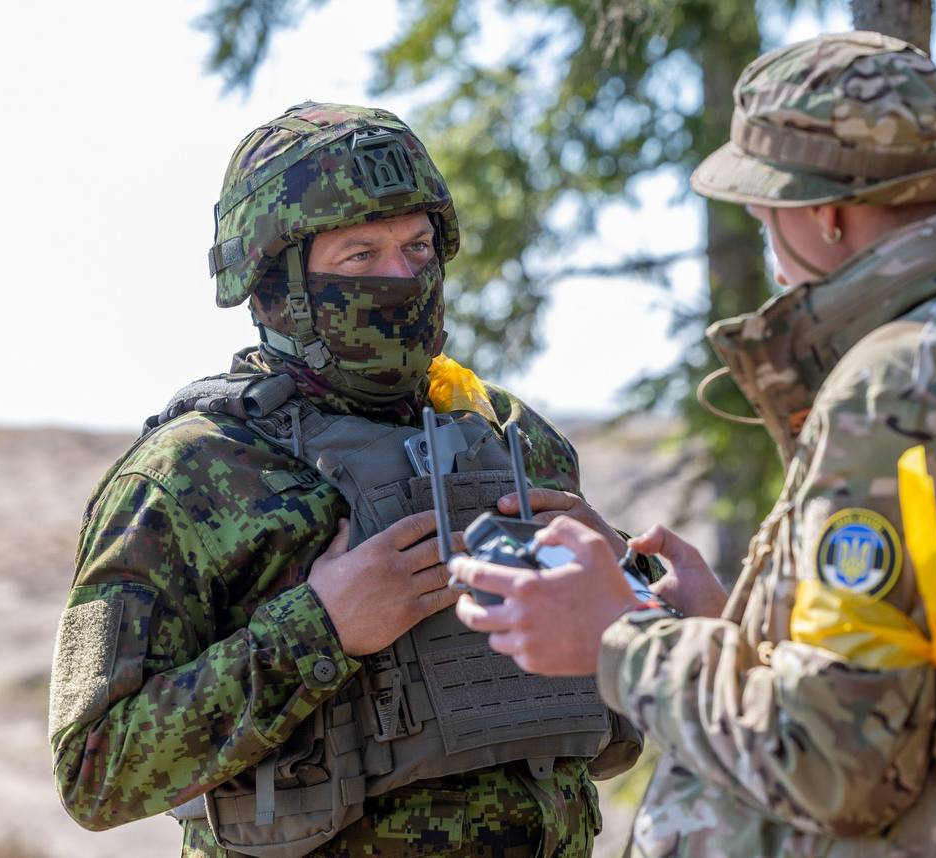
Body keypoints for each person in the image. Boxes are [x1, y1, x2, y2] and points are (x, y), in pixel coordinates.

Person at [450, 32, 936, 857]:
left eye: (765, 218)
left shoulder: (903, 384)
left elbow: (832, 763)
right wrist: (734, 632)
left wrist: (619, 637)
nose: (774, 257)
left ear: (824, 214)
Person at [48, 102, 652, 858]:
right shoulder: (187, 476)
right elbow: (95, 773)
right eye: (360, 256)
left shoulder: (510, 437)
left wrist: (633, 591)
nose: (401, 278)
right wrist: (322, 627)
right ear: (276, 285)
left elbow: (621, 721)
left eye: (417, 247)